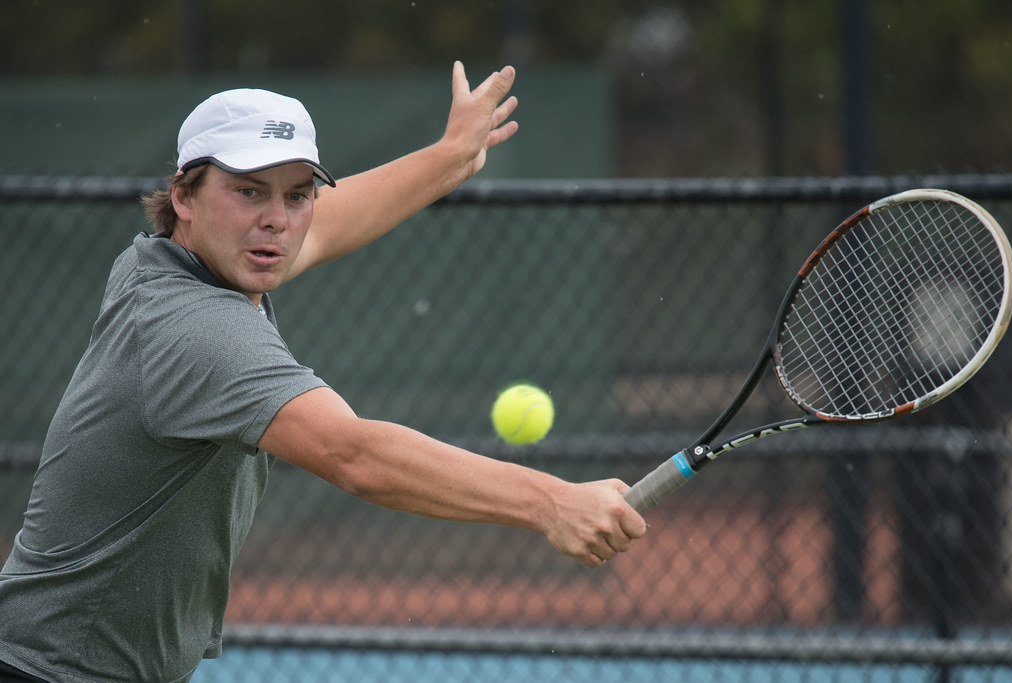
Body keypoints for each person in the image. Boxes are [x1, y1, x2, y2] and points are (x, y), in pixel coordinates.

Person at [0, 62, 646, 683]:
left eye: (297, 194)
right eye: (248, 190)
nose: (277, 219)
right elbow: (354, 454)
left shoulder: (163, 261)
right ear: (184, 196)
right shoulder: (199, 330)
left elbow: (330, 221)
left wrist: (449, 157)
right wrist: (550, 501)